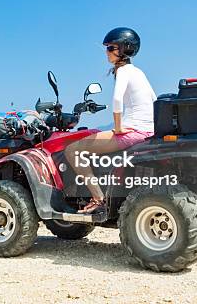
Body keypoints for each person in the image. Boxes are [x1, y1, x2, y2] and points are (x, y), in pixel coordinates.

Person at [65, 27, 157, 214]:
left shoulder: (123, 71)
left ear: (124, 49)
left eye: (110, 48)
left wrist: (118, 127)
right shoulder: (138, 72)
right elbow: (154, 100)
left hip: (132, 131)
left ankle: (98, 198)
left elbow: (116, 100)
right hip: (147, 130)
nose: (106, 52)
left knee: (73, 150)